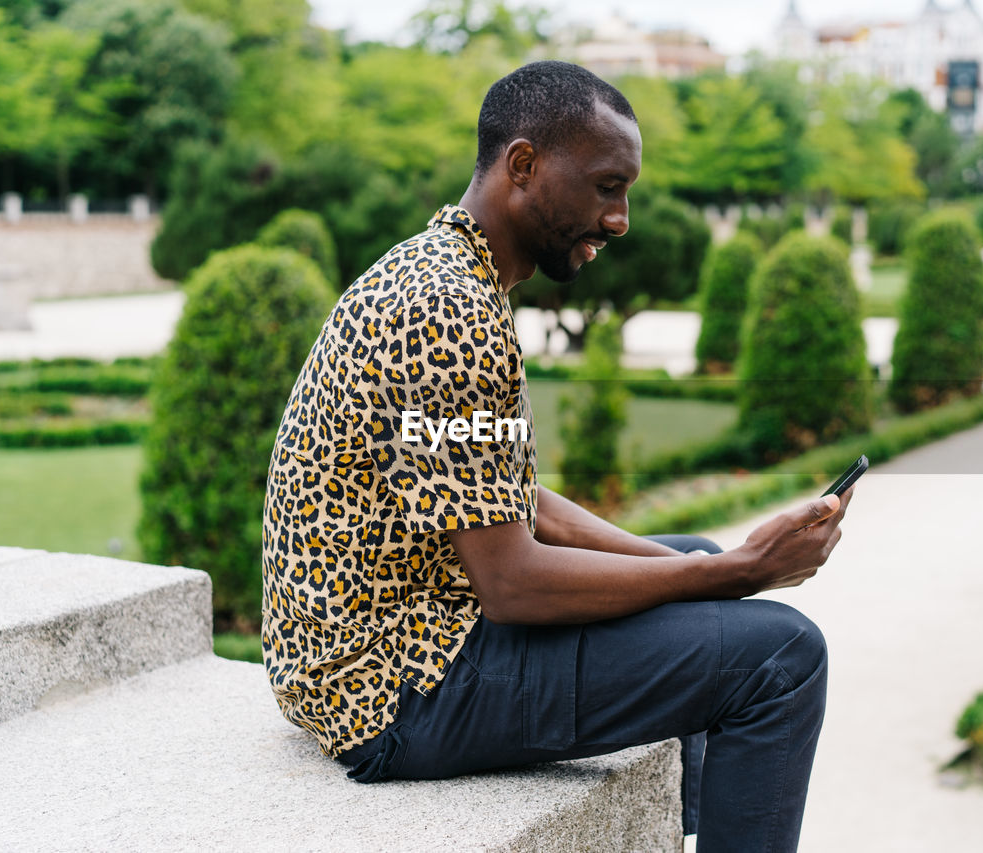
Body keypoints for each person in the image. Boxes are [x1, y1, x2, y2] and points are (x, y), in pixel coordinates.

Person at [261, 60, 851, 852]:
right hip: (396, 693)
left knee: (699, 566)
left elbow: (520, 500)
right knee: (783, 655)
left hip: (369, 657)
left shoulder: (446, 273)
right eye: (608, 186)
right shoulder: (448, 310)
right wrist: (737, 574)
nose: (621, 219)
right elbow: (508, 583)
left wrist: (703, 570)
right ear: (525, 166)